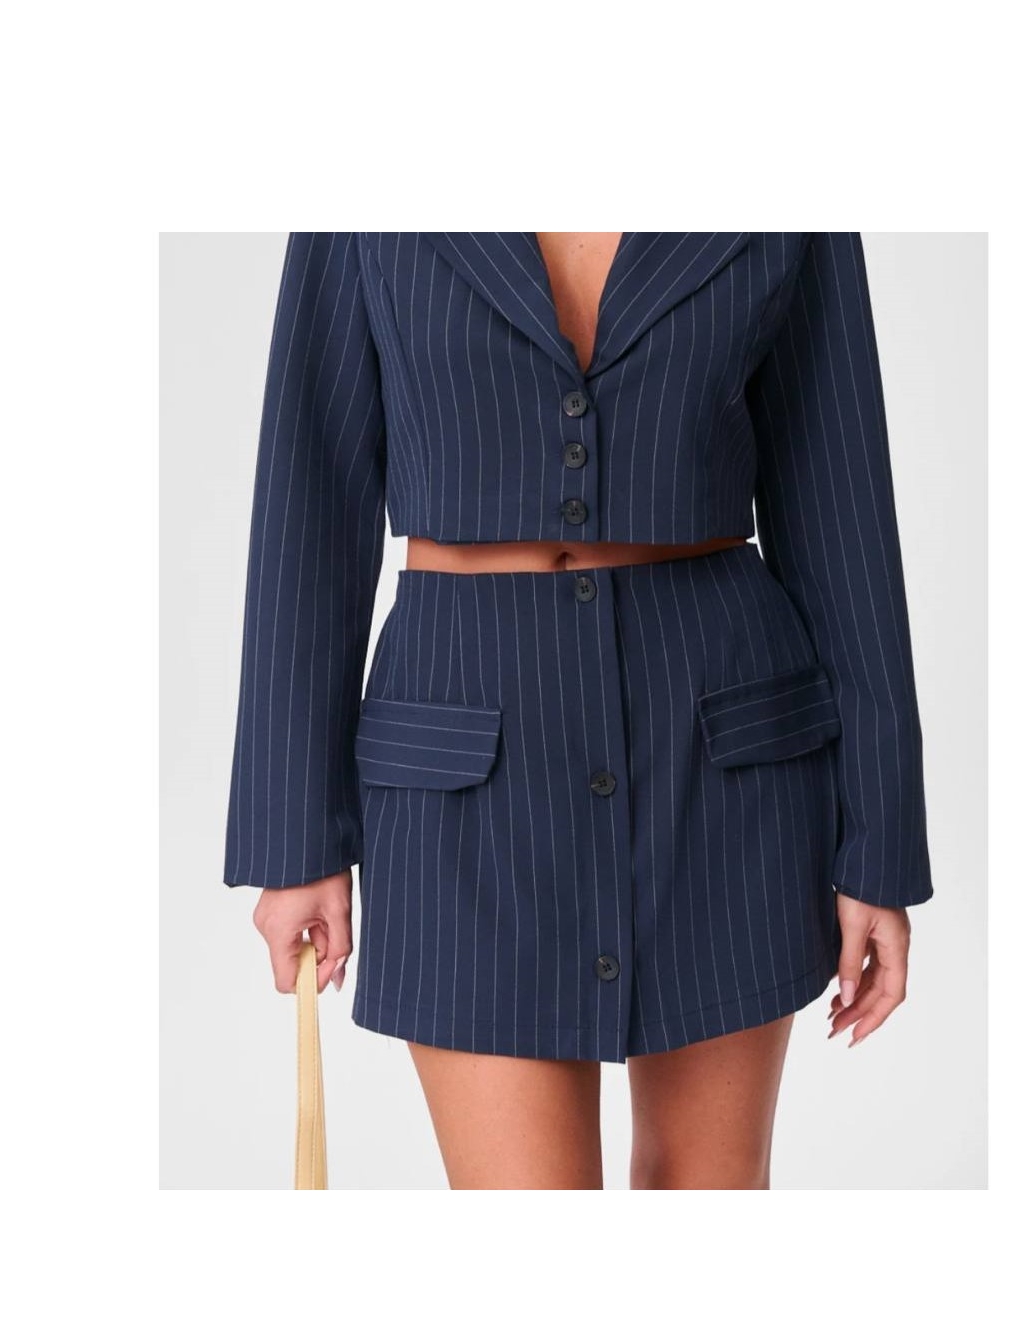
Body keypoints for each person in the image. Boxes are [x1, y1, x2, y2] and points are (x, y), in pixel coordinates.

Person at [224, 232, 933, 1190]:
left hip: (724, 756)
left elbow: (841, 507)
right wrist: (296, 839)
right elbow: (309, 497)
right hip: (463, 771)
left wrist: (880, 845)